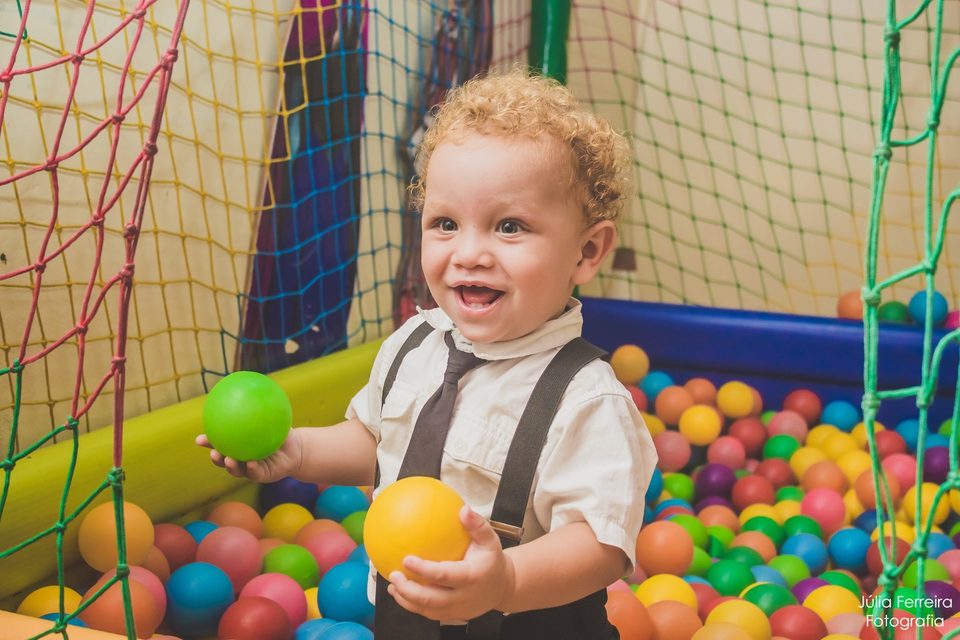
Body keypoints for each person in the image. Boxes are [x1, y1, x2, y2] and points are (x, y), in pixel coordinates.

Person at [198, 66, 657, 639]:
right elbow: (375, 441)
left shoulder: (586, 398)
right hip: (407, 619)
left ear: (587, 250)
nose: (469, 253)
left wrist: (504, 582)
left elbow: (601, 543)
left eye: (509, 227)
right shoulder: (413, 344)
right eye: (445, 223)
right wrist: (295, 453)